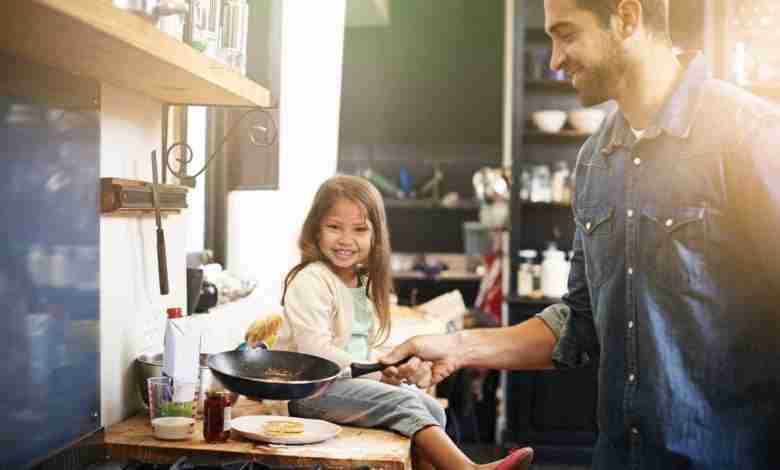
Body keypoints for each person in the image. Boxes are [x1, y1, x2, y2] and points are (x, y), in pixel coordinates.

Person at [380, 0, 780, 469]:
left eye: (566, 34)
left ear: (627, 17)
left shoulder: (750, 133)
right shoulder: (595, 160)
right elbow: (581, 320)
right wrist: (457, 347)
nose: (554, 59)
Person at [275, 175, 533, 470]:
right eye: (334, 227)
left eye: (359, 229)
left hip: (344, 384)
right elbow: (316, 354)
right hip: (309, 392)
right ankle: (467, 469)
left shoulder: (363, 281)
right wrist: (380, 372)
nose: (346, 240)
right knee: (406, 405)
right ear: (316, 231)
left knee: (432, 408)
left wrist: (390, 370)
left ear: (375, 236)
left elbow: (361, 348)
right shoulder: (311, 280)